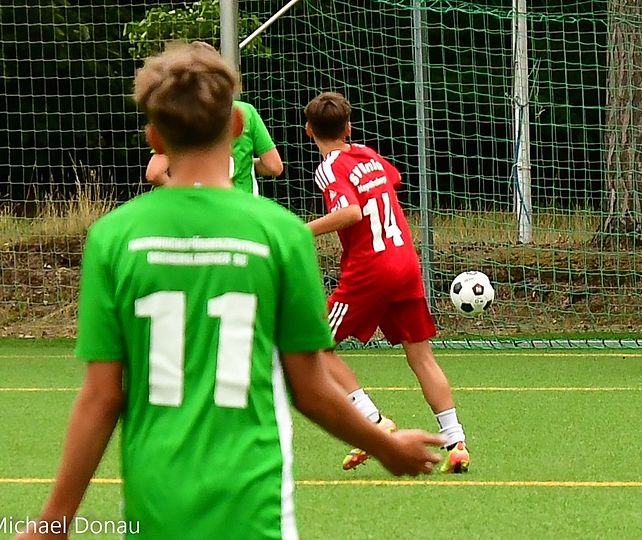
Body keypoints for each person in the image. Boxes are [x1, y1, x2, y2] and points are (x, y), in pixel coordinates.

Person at [17, 42, 442, 540]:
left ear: (154, 137)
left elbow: (101, 396)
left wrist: (53, 522)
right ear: (238, 126)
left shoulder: (113, 237)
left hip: (156, 504)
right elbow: (310, 390)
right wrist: (387, 448)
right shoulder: (280, 234)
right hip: (254, 504)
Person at [303, 91, 471, 473]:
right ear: (349, 127)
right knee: (421, 356)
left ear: (309, 130)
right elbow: (391, 182)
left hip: (371, 268)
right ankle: (456, 441)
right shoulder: (367, 154)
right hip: (405, 262)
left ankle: (374, 422)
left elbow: (350, 211)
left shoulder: (329, 167)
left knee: (314, 345)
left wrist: (302, 230)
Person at [144, 46, 282, 195]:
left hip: (193, 205)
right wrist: (247, 162)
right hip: (240, 203)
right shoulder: (245, 112)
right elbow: (273, 166)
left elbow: (154, 173)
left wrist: (184, 192)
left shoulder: (179, 113)